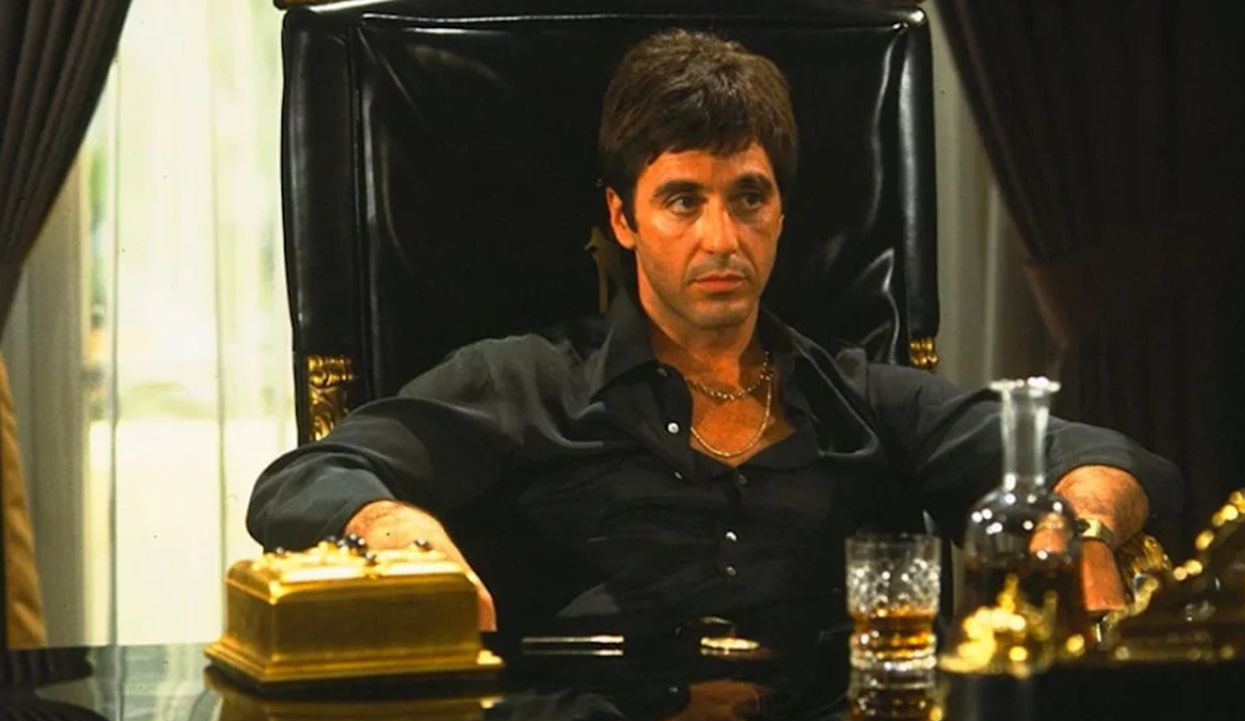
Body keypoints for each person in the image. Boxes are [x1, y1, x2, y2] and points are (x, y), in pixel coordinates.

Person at [248, 30, 1181, 637]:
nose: (721, 239)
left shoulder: (858, 394)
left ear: (781, 213)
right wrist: (396, 526)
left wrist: (1082, 525)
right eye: (683, 201)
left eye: (748, 198)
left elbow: (1108, 457)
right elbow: (305, 478)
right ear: (624, 218)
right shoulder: (525, 381)